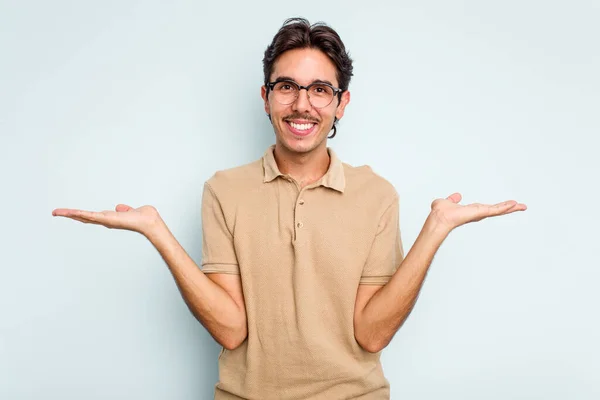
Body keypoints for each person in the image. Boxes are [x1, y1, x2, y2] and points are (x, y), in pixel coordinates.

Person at [52, 17, 526, 400]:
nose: (303, 105)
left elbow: (372, 334)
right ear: (266, 98)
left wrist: (436, 229)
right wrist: (157, 232)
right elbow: (232, 330)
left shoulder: (377, 194)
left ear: (341, 105)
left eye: (321, 89)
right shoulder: (223, 190)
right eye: (287, 87)